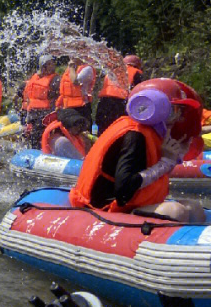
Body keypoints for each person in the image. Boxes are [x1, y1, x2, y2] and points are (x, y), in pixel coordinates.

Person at [69, 78, 205, 223]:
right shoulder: (135, 136)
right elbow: (124, 190)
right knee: (176, 211)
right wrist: (165, 163)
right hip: (107, 206)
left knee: (195, 208)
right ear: (154, 108)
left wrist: (174, 157)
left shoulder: (150, 133)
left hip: (130, 201)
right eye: (175, 111)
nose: (180, 118)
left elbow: (151, 173)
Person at [96, 55, 144, 133]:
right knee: (118, 129)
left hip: (103, 102)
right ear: (136, 65)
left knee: (102, 128)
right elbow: (138, 91)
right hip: (119, 103)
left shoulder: (112, 70)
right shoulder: (136, 72)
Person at [22, 55, 60, 146]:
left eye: (53, 63)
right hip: (32, 113)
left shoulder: (56, 79)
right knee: (30, 136)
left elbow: (59, 95)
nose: (53, 66)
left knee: (39, 136)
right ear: (43, 67)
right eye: (49, 64)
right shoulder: (34, 78)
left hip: (45, 113)